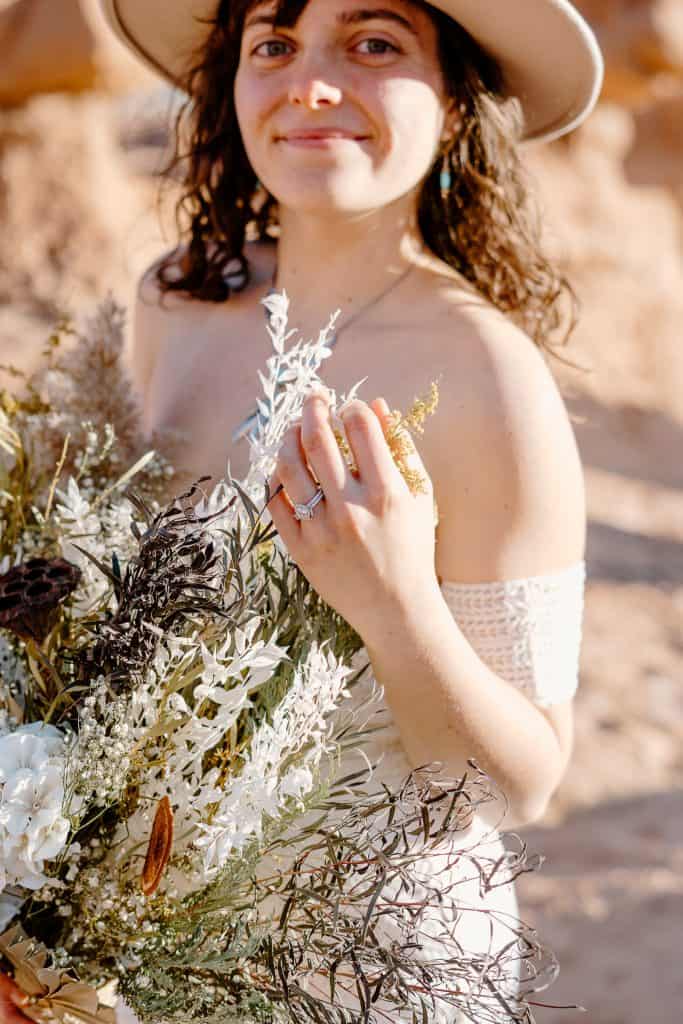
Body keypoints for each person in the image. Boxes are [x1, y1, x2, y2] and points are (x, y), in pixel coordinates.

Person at [1, 0, 604, 1020]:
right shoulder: (175, 302)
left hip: (360, 960)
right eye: (273, 45)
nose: (311, 84)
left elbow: (519, 784)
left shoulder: (487, 374)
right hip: (134, 950)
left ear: (455, 100)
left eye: (373, 43)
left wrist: (395, 603)